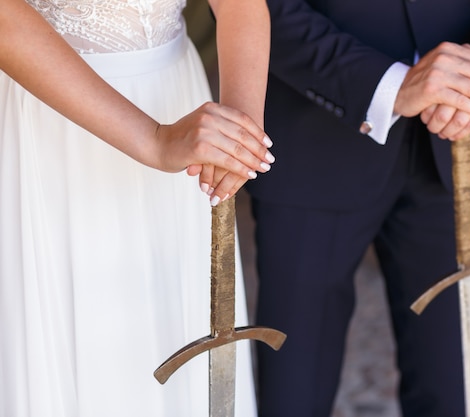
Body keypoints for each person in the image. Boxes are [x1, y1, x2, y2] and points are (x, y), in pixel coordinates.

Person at [245, 1, 470, 416]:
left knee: (451, 385)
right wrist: (388, 87)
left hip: (457, 137)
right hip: (314, 139)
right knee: (295, 389)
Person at [0, 0, 272, 416]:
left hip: (178, 99)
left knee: (174, 316)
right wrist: (154, 140)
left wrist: (240, 135)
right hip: (53, 107)